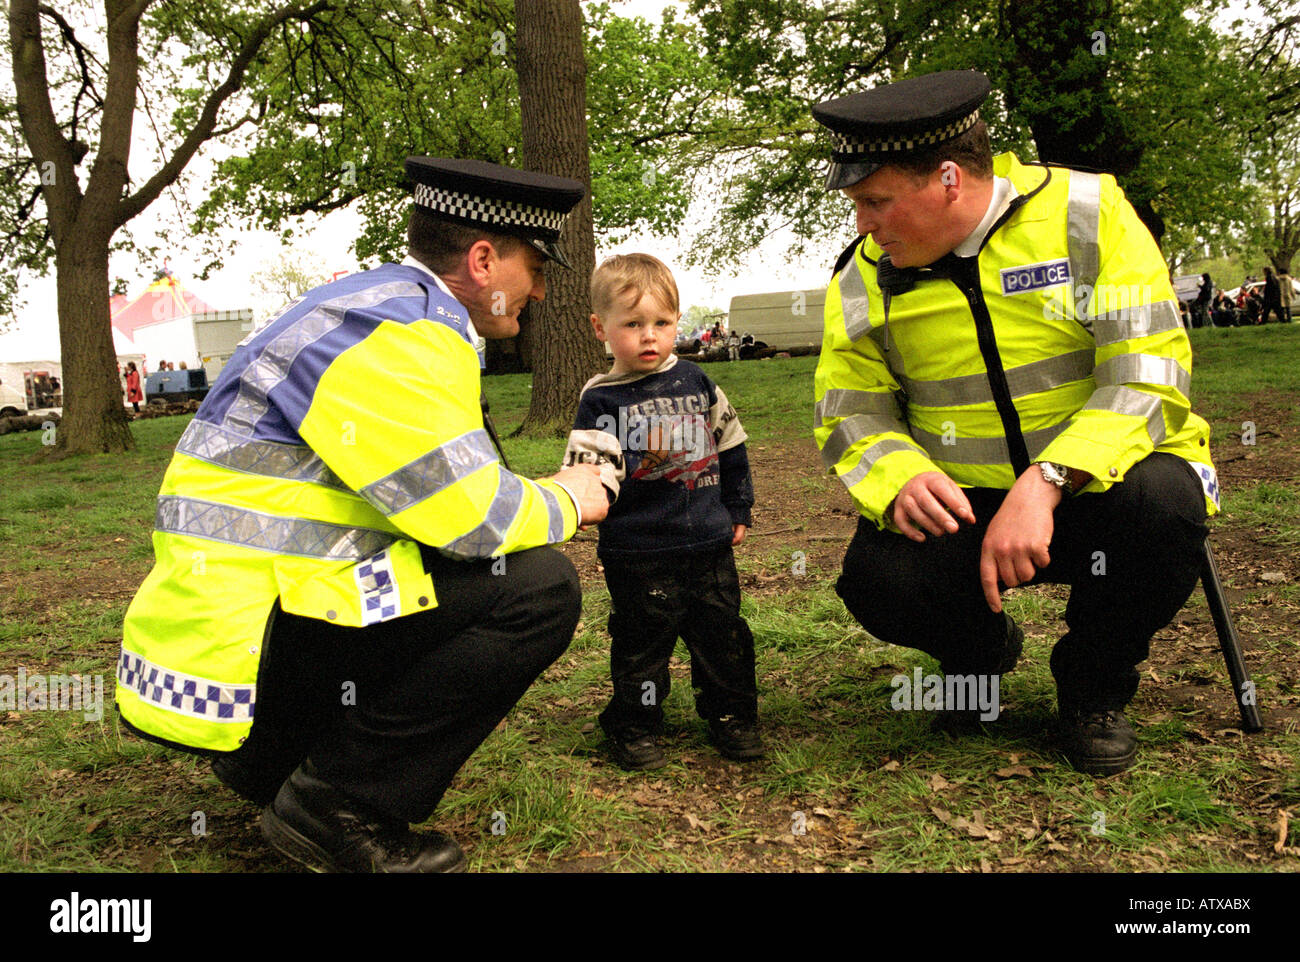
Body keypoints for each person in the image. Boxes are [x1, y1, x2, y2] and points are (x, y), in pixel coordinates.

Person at [117, 157, 609, 872]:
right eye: (535, 266)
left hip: (228, 629)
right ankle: (334, 804)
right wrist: (572, 496)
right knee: (537, 589)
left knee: (448, 575)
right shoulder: (408, 334)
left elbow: (424, 498)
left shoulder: (367, 307)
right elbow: (473, 522)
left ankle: (271, 762)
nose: (538, 288)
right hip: (257, 632)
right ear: (482, 259)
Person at [810, 70, 1219, 776]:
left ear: (946, 180)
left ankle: (1093, 687)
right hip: (970, 511)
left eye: (875, 202)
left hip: (1101, 492)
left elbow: (1148, 369)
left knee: (1166, 510)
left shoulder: (1090, 213)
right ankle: (981, 653)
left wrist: (1049, 480)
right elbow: (850, 406)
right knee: (878, 579)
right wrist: (901, 475)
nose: (863, 225)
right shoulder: (863, 275)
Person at [561, 253, 760, 770]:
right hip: (638, 552)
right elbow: (590, 473)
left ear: (676, 322)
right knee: (641, 642)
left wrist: (738, 504)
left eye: (662, 323)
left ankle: (731, 716)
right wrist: (586, 503)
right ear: (598, 328)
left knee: (722, 635)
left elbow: (731, 446)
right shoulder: (600, 399)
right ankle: (633, 724)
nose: (649, 336)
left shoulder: (696, 381)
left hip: (709, 544)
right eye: (632, 324)